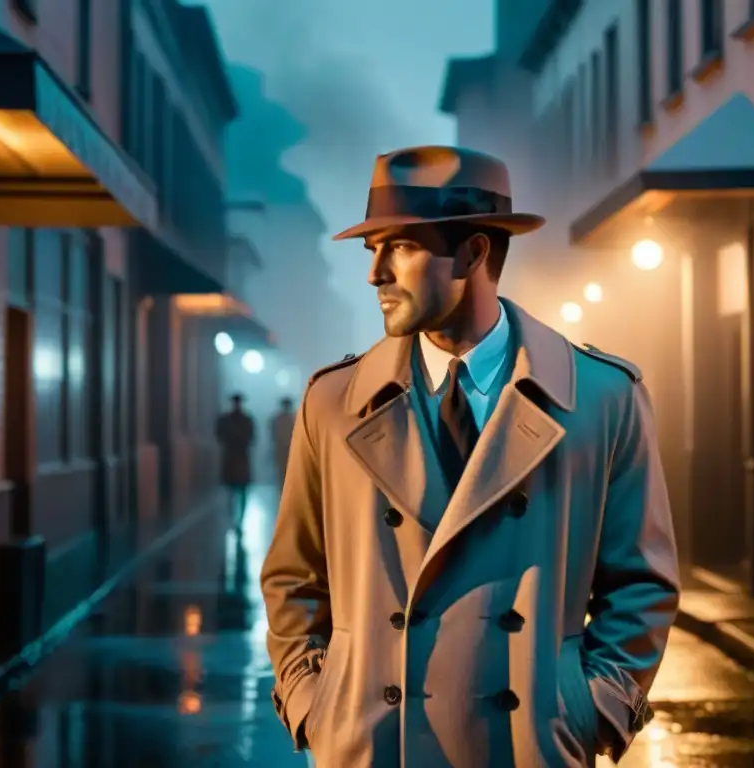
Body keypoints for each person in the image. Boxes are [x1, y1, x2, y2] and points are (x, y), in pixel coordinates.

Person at [260, 146, 680, 768]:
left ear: (475, 253)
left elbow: (641, 585)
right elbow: (293, 579)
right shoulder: (334, 403)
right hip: (371, 746)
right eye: (371, 249)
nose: (375, 273)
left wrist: (590, 711)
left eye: (399, 247)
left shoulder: (600, 398)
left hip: (529, 746)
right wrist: (315, 707)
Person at [216, 393, 254, 527]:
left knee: (240, 490)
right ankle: (234, 518)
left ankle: (238, 519)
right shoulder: (243, 419)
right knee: (233, 490)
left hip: (237, 456)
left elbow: (251, 437)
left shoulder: (243, 419)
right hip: (235, 456)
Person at [271, 396, 296, 487]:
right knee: (283, 473)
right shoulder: (294, 418)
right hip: (284, 449)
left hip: (289, 449)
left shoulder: (278, 419)